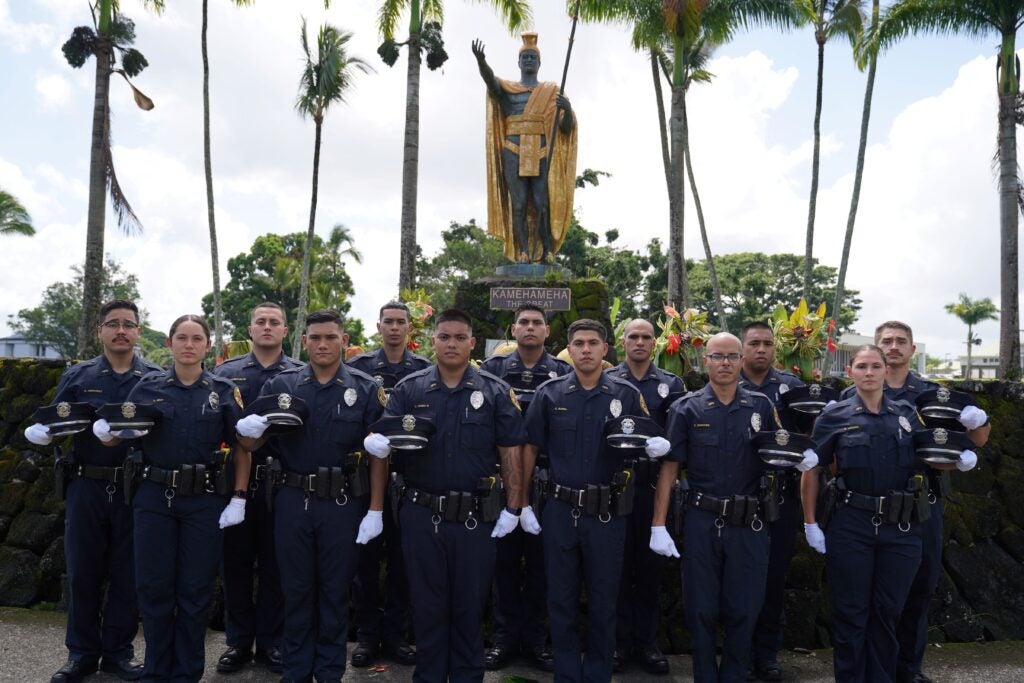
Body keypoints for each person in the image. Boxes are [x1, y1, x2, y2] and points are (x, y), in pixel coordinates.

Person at [801, 344, 980, 682]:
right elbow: (812, 470)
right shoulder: (834, 415)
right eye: (862, 366)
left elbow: (928, 457)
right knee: (851, 613)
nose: (869, 372)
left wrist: (958, 461)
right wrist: (810, 522)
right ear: (850, 371)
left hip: (901, 527)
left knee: (888, 612)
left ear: (886, 371)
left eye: (875, 366)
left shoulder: (906, 414)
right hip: (851, 522)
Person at [94, 314, 255, 682]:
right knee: (153, 588)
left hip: (204, 500)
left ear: (208, 345)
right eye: (181, 338)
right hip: (154, 499)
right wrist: (107, 432)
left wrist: (239, 497)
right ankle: (155, 671)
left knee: (195, 591)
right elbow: (122, 432)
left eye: (196, 338)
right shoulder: (148, 387)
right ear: (169, 344)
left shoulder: (223, 391)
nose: (188, 345)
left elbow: (244, 447)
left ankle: (186, 673)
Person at [367, 308, 526, 682]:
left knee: (470, 607)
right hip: (422, 514)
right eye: (444, 337)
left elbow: (510, 453)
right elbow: (385, 442)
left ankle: (469, 677)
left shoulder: (496, 391)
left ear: (472, 343)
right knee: (427, 606)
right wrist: (376, 443)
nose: (451, 344)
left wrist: (514, 507)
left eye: (459, 337)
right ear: (432, 341)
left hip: (476, 517)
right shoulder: (409, 390)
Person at [649, 333, 815, 683]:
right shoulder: (686, 408)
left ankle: (735, 676)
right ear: (704, 361)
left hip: (749, 523)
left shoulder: (760, 407)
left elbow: (779, 450)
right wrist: (658, 525)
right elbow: (669, 469)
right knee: (701, 609)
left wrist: (801, 458)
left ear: (741, 361)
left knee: (745, 609)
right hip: (702, 520)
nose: (725, 363)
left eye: (731, 356)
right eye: (717, 356)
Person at [235, 309, 389, 683]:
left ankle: (329, 671)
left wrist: (375, 509)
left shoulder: (367, 389)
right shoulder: (282, 386)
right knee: (296, 589)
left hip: (342, 503)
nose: (322, 344)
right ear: (303, 342)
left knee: (336, 591)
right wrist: (247, 431)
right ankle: (296, 671)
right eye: (315, 338)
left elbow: (379, 454)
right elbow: (252, 442)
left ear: (344, 341)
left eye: (330, 338)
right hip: (291, 499)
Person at [844, 322, 990, 683]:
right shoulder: (852, 396)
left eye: (900, 342)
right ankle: (866, 670)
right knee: (864, 597)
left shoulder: (934, 394)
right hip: (866, 508)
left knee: (919, 589)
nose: (893, 347)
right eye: (886, 342)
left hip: (921, 503)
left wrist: (966, 450)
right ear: (875, 349)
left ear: (911, 349)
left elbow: (977, 435)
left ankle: (908, 668)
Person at [24, 299, 159, 683]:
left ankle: (118, 653)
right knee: (83, 572)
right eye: (113, 324)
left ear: (138, 330)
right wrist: (43, 433)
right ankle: (81, 654)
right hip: (86, 485)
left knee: (127, 574)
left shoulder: (152, 378)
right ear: (100, 330)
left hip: (137, 488)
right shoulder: (79, 377)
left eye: (128, 324)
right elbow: (54, 422)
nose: (121, 331)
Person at [523, 318, 663, 681]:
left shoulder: (627, 396)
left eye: (593, 343)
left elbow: (647, 440)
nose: (586, 350)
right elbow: (530, 448)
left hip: (607, 514)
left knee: (604, 600)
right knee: (561, 599)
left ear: (605, 350)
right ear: (568, 350)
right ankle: (567, 675)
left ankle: (599, 674)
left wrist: (655, 445)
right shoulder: (549, 394)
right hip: (560, 509)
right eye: (579, 343)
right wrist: (520, 503)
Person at [480, 303, 571, 672]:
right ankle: (503, 640)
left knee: (541, 566)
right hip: (503, 482)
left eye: (537, 323)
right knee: (502, 565)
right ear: (513, 329)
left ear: (547, 331)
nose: (530, 328)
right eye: (524, 322)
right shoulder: (493, 371)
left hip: (548, 485)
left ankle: (535, 641)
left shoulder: (563, 373)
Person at [214, 302, 303, 675]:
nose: (267, 327)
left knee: (276, 567)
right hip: (235, 485)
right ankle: (237, 642)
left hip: (283, 483)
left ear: (285, 331)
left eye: (275, 322)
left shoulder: (301, 375)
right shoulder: (224, 374)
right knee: (234, 565)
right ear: (249, 330)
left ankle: (271, 642)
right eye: (261, 322)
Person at [347, 301, 431, 669]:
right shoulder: (360, 369)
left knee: (403, 562)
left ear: (410, 328)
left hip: (411, 477)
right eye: (389, 322)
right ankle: (366, 636)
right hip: (366, 478)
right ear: (378, 326)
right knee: (365, 563)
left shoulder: (426, 371)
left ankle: (396, 635)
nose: (395, 328)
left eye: (401, 322)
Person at [604, 318, 685, 675]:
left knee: (651, 572)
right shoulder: (607, 382)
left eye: (646, 337)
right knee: (616, 571)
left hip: (654, 488)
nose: (639, 342)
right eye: (633, 336)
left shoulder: (672, 384)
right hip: (615, 488)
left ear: (656, 343)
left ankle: (648, 644)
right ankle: (619, 644)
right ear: (622, 342)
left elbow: (679, 438)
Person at [738, 322, 806, 682]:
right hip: (742, 496)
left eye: (767, 343)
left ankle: (767, 654)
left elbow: (811, 434)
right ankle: (740, 652)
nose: (761, 349)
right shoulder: (727, 384)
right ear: (743, 348)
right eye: (754, 344)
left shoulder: (792, 388)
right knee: (740, 579)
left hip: (781, 495)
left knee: (774, 578)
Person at [472, 32, 577, 263]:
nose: (529, 60)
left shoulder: (552, 92)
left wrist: (567, 108)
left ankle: (547, 251)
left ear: (539, 63)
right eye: (525, 57)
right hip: (513, 149)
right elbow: (491, 82)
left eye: (533, 57)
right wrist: (482, 63)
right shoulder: (509, 90)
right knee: (518, 203)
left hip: (540, 151)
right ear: (519, 62)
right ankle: (523, 252)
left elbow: (566, 128)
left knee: (541, 202)